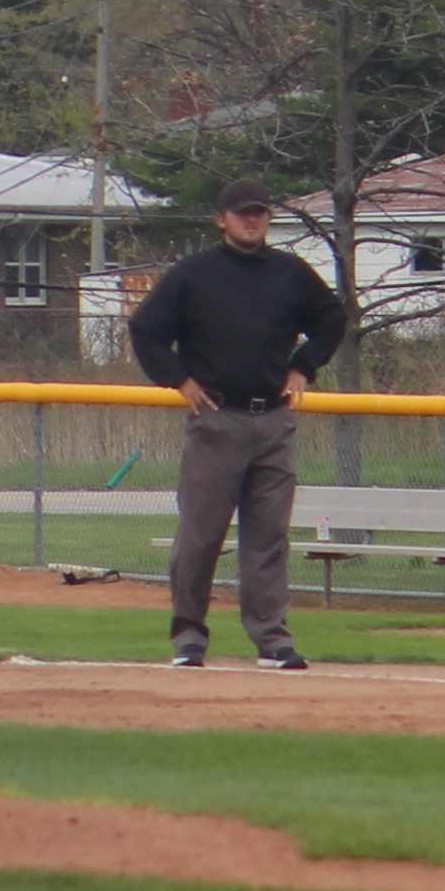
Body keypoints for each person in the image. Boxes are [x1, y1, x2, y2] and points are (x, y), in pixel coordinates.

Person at [125, 177, 351, 670]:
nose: (252, 220)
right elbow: (145, 329)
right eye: (242, 213)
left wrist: (303, 364)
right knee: (201, 536)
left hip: (273, 419)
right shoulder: (194, 273)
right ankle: (189, 639)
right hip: (216, 419)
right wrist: (178, 379)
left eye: (260, 213)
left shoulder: (289, 273)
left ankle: (272, 640)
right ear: (221, 219)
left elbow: (333, 317)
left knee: (267, 537)